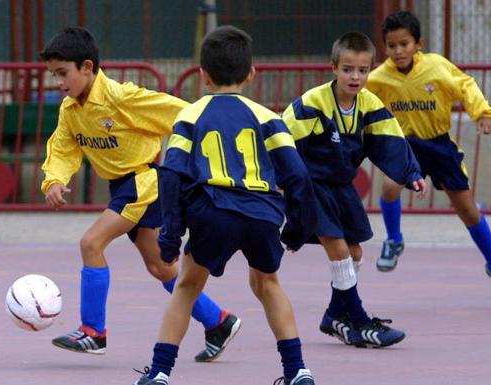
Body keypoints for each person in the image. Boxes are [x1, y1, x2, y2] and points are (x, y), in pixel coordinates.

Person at [39, 27, 241, 360]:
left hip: (142, 181)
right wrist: (54, 181)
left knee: (91, 243)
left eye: (63, 73)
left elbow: (181, 113)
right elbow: (62, 148)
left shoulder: (122, 98)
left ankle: (93, 331)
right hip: (123, 187)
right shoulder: (70, 110)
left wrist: (221, 138)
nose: (59, 82)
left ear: (87, 67)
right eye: (54, 75)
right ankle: (218, 322)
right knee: (161, 268)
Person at [133, 25, 317, 385]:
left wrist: (171, 237)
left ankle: (159, 373)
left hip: (214, 212)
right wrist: (297, 228)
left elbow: (171, 176)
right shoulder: (268, 116)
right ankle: (297, 370)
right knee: (268, 284)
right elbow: (298, 175)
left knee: (186, 287)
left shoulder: (190, 116)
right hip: (263, 212)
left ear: (202, 75)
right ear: (251, 73)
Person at [366, 10, 491, 296]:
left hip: (439, 145)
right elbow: (355, 96)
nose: (398, 51)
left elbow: (465, 85)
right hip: (406, 145)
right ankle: (394, 240)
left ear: (418, 43)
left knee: (467, 210)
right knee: (390, 184)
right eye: (391, 46)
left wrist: (483, 113)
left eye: (404, 44)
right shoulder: (380, 77)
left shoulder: (436, 67)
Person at [282, 31, 427, 348]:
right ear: (333, 68)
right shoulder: (311, 104)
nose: (355, 76)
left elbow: (390, 141)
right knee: (340, 250)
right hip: (312, 187)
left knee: (356, 252)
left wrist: (411, 172)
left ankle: (334, 315)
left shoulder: (369, 104)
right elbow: (280, 141)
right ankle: (359, 321)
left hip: (341, 187)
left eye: (362, 70)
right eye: (348, 69)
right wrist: (280, 188)